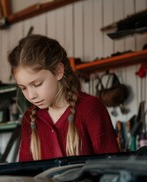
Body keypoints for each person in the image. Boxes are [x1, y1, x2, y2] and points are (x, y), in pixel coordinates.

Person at [8, 34, 120, 162]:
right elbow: (25, 175)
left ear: (58, 71)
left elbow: (112, 170)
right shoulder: (29, 118)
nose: (31, 95)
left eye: (37, 84)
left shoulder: (90, 108)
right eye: (23, 88)